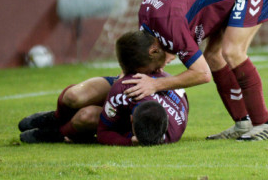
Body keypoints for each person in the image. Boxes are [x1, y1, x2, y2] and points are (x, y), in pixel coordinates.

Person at [123, 0, 268, 141]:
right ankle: (243, 124)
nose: (160, 69)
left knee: (232, 52)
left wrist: (156, 84)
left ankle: (264, 126)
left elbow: (202, 74)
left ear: (153, 50)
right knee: (214, 57)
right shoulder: (147, 23)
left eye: (156, 67)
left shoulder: (168, 24)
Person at [19, 30, 188, 146]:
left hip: (136, 92)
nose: (161, 70)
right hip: (132, 85)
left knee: (86, 116)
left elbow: (203, 74)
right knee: (74, 96)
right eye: (157, 67)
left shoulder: (164, 134)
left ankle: (58, 133)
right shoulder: (158, 25)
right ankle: (55, 117)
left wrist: (130, 142)